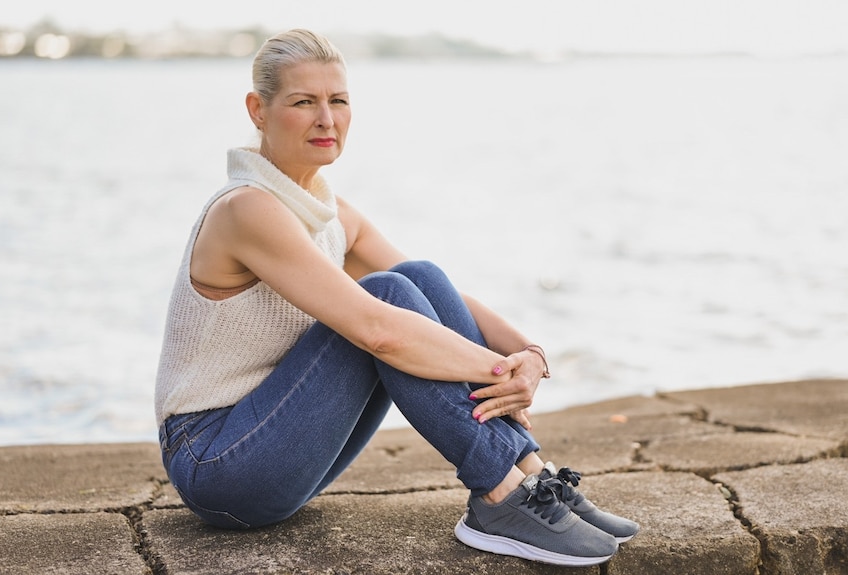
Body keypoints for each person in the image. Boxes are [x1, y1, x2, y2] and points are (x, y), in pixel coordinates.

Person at [155, 28, 638, 567]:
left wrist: (531, 355)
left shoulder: (330, 215)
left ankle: (532, 478)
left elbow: (439, 295)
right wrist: (502, 372)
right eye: (303, 102)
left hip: (279, 445)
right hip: (216, 462)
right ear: (258, 110)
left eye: (338, 100)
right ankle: (500, 495)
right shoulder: (247, 209)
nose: (327, 119)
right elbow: (379, 329)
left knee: (418, 276)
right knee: (385, 298)